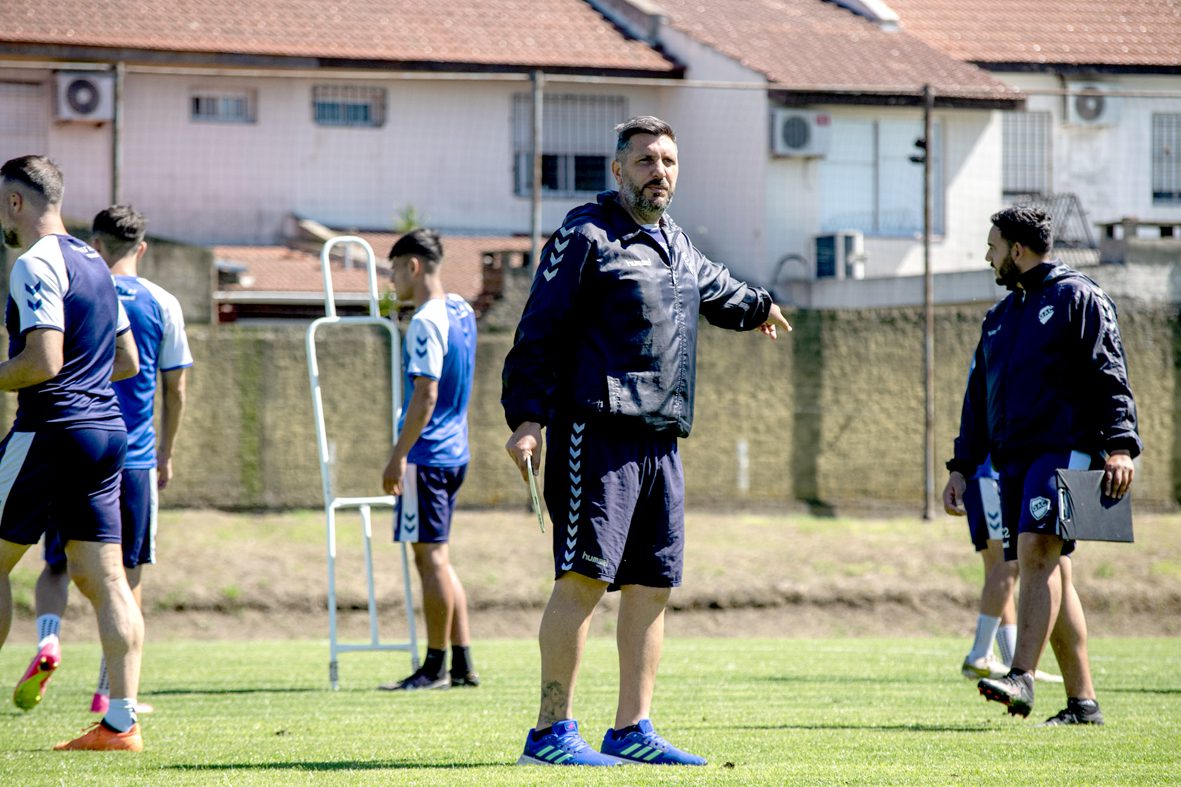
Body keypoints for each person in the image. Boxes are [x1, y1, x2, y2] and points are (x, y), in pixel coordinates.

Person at [502, 116, 792, 766]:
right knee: (583, 577)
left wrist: (758, 305)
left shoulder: (675, 244)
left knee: (652, 583)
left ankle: (630, 729)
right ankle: (550, 734)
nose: (658, 172)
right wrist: (526, 417)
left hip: (661, 437)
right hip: (593, 430)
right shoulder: (584, 235)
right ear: (617, 169)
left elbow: (715, 286)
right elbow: (538, 330)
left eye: (667, 161)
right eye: (644, 161)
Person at [942, 205, 1141, 726]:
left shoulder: (1078, 297)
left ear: (1017, 249)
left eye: (992, 246)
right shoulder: (1000, 318)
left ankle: (1021, 677)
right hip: (1013, 462)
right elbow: (977, 400)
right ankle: (1083, 704)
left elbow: (1109, 374)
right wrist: (961, 466)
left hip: (1065, 448)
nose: (987, 256)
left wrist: (1120, 446)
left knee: (1034, 552)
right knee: (1052, 570)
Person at [0, 155, 146, 750]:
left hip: (50, 430)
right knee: (107, 578)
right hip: (108, 433)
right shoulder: (97, 264)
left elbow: (42, 362)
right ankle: (121, 722)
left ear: (16, 203)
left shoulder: (33, 262)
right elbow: (129, 362)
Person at [27, 205, 192, 716]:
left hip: (72, 441)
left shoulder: (78, 290)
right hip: (133, 455)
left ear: (93, 244)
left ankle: (48, 640)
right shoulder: (162, 302)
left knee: (56, 563)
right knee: (124, 577)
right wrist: (166, 452)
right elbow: (176, 386)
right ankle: (111, 690)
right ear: (141, 248)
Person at [378, 229, 479, 691]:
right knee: (441, 559)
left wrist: (398, 457)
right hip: (456, 450)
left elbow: (425, 393)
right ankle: (461, 663)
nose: (393, 280)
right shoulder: (462, 309)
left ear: (413, 266)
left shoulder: (425, 320)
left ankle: (434, 666)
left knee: (430, 560)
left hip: (427, 455)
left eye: (395, 270)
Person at [957, 453, 1063, 684]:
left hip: (986, 478)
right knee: (1010, 562)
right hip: (988, 478)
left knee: (999, 567)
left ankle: (1010, 660)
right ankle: (979, 654)